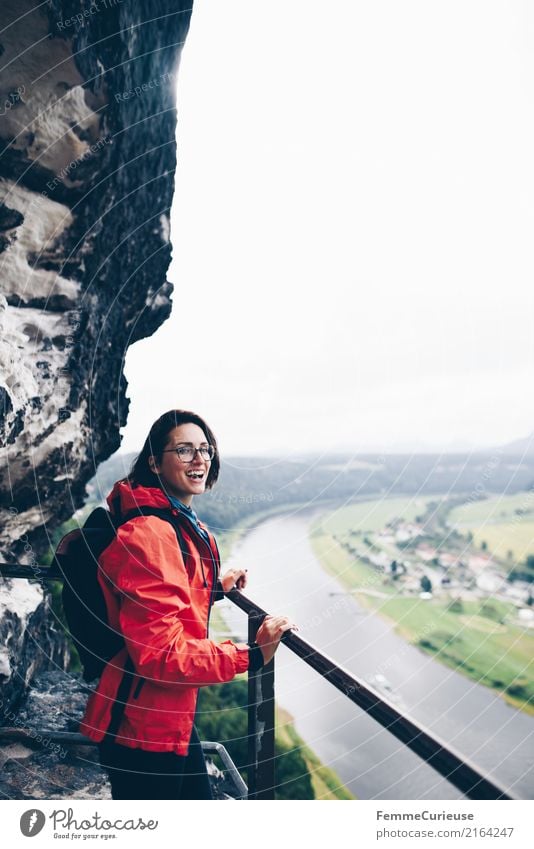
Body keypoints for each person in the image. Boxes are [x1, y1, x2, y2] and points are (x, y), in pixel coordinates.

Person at [79, 409, 296, 799]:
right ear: (154, 462)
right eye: (183, 450)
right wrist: (253, 656)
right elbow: (161, 654)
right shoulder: (149, 533)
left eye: (205, 449)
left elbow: (159, 598)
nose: (199, 459)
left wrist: (213, 585)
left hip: (167, 714)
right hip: (140, 729)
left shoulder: (178, 524)